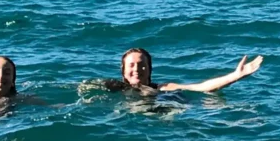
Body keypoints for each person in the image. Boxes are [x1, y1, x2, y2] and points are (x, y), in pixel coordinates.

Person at [104, 47, 263, 94]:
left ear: (150, 69)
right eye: (131, 65)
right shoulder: (113, 87)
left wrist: (236, 75)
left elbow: (201, 87)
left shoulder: (163, 89)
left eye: (142, 65)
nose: (137, 69)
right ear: (123, 70)